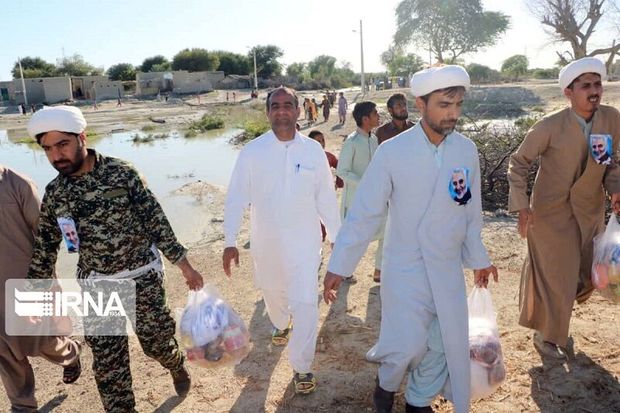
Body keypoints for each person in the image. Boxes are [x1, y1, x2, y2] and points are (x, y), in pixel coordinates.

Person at [324, 65, 498, 413]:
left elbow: (470, 211)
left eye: (458, 105)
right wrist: (339, 265)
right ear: (421, 104)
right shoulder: (393, 152)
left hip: (446, 266)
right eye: (444, 105)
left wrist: (478, 256)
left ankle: (418, 401)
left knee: (441, 340)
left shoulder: (465, 151)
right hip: (404, 267)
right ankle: (385, 386)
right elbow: (365, 213)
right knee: (406, 345)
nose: (453, 114)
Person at [25, 106, 204, 412]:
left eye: (63, 144)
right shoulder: (56, 193)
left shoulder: (123, 174)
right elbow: (44, 246)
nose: (56, 156)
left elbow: (156, 221)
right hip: (98, 285)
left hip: (143, 277)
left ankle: (174, 364)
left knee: (157, 344)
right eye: (48, 149)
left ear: (83, 137)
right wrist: (32, 299)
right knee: (109, 363)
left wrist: (183, 264)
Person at [223, 87, 340, 395]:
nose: (282, 111)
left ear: (298, 111)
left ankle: (302, 366)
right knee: (273, 294)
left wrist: (337, 240)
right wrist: (230, 239)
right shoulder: (252, 151)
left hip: (305, 244)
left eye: (288, 105)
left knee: (305, 303)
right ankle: (280, 322)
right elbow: (236, 196)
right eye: (276, 106)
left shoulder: (313, 152)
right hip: (267, 244)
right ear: (268, 112)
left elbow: (326, 199)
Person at [507, 57, 620, 360]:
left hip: (589, 212)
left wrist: (615, 189)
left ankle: (554, 328)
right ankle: (548, 336)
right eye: (586, 86)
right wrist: (521, 206)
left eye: (597, 84)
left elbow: (610, 164)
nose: (594, 91)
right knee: (557, 276)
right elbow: (518, 164)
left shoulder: (612, 119)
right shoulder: (549, 126)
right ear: (568, 92)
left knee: (584, 275)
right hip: (549, 215)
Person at [0, 165, 82, 413]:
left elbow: (47, 231)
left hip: (25, 283)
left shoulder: (18, 184)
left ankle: (71, 352)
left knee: (41, 339)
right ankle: (23, 406)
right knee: (4, 352)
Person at [337, 101, 382, 282]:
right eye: (375, 113)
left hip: (375, 199)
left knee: (386, 230)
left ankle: (379, 270)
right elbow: (342, 171)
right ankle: (344, 271)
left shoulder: (374, 139)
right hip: (355, 200)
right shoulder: (351, 142)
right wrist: (365, 183)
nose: (378, 116)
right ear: (365, 119)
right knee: (351, 240)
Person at [308, 129, 344, 241]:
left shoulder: (328, 156)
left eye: (323, 140)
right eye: (318, 141)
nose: (322, 143)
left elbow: (341, 168)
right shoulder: (304, 157)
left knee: (325, 222)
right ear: (311, 142)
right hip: (308, 196)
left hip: (325, 196)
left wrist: (338, 183)